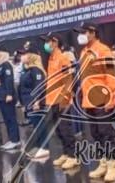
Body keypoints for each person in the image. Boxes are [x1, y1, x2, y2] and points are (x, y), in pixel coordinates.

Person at [74, 23, 115, 182]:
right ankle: (103, 164)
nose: (80, 35)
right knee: (95, 134)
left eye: (84, 32)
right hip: (89, 101)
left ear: (93, 33)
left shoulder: (104, 50)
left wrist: (111, 97)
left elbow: (111, 75)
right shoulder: (83, 52)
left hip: (103, 100)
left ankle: (113, 167)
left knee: (107, 134)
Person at [42, 32, 78, 169]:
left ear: (55, 42)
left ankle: (73, 156)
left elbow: (68, 80)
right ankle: (66, 153)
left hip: (61, 100)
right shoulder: (51, 58)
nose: (46, 44)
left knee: (65, 128)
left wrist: (65, 99)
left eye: (48, 41)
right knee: (58, 130)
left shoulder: (63, 58)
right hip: (52, 100)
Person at [17, 46, 49, 160]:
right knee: (36, 127)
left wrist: (37, 101)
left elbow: (39, 87)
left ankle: (44, 149)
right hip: (28, 102)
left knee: (40, 126)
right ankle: (38, 148)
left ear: (32, 56)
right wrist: (23, 103)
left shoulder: (36, 70)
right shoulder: (27, 70)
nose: (22, 57)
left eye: (25, 54)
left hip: (35, 103)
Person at [0, 46, 19, 151]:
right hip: (1, 96)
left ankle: (15, 140)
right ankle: (11, 139)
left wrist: (9, 94)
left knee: (11, 118)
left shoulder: (6, 65)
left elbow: (8, 80)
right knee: (6, 119)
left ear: (2, 53)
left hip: (7, 96)